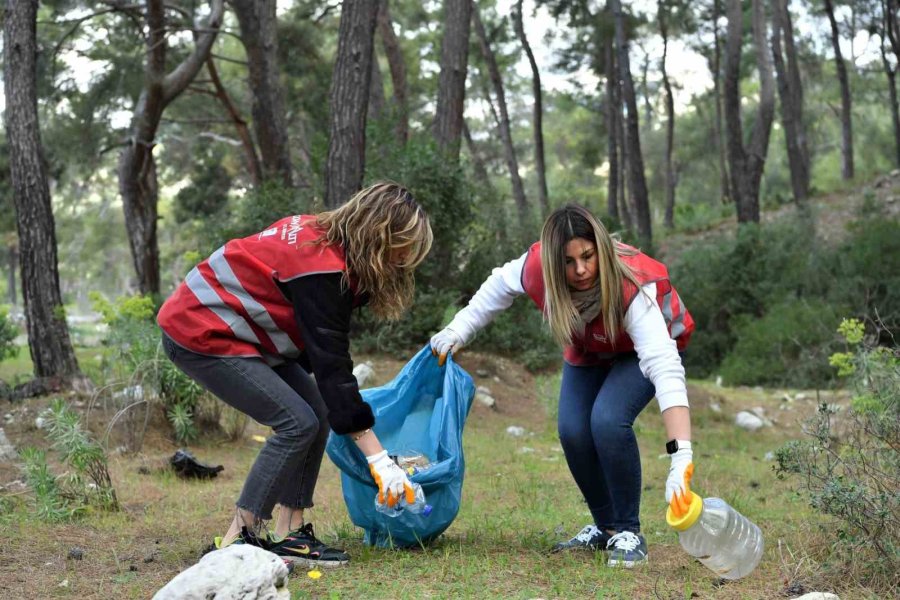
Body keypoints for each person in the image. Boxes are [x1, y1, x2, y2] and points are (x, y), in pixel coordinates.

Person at [157, 182, 433, 568]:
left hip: (240, 333)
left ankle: (290, 533)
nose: (405, 260)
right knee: (296, 421)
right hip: (200, 330)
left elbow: (320, 359)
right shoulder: (322, 270)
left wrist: (349, 414)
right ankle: (240, 539)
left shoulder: (324, 243)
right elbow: (332, 365)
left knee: (316, 412)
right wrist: (381, 462)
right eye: (403, 247)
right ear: (380, 234)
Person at [430, 204, 695, 567]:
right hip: (590, 347)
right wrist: (457, 329)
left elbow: (665, 369)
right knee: (572, 430)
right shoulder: (537, 267)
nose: (581, 269)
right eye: (568, 262)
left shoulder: (633, 286)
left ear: (600, 248)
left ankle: (627, 531)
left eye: (588, 256)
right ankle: (605, 529)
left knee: (607, 420)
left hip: (638, 352)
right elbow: (499, 286)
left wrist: (680, 458)